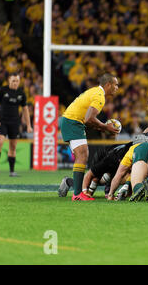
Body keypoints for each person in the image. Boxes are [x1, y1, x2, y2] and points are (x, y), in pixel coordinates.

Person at [59, 73, 120, 201]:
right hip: (73, 121)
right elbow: (89, 119)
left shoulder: (94, 91)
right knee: (82, 155)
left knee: (83, 155)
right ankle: (77, 194)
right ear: (108, 85)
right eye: (116, 85)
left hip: (72, 121)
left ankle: (72, 186)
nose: (117, 87)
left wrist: (102, 127)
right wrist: (105, 127)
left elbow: (88, 120)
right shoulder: (99, 97)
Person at [0, 73, 32, 177]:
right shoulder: (2, 90)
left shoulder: (21, 93)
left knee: (13, 147)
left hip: (14, 123)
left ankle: (12, 171)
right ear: (9, 80)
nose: (15, 83)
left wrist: (29, 125)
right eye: (13, 81)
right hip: (2, 121)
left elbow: (25, 110)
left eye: (17, 81)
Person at [58, 142, 133, 198]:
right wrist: (85, 192)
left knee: (121, 175)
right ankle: (68, 181)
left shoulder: (130, 153)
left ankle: (108, 189)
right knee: (94, 183)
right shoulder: (111, 160)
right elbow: (89, 175)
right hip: (103, 156)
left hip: (114, 157)